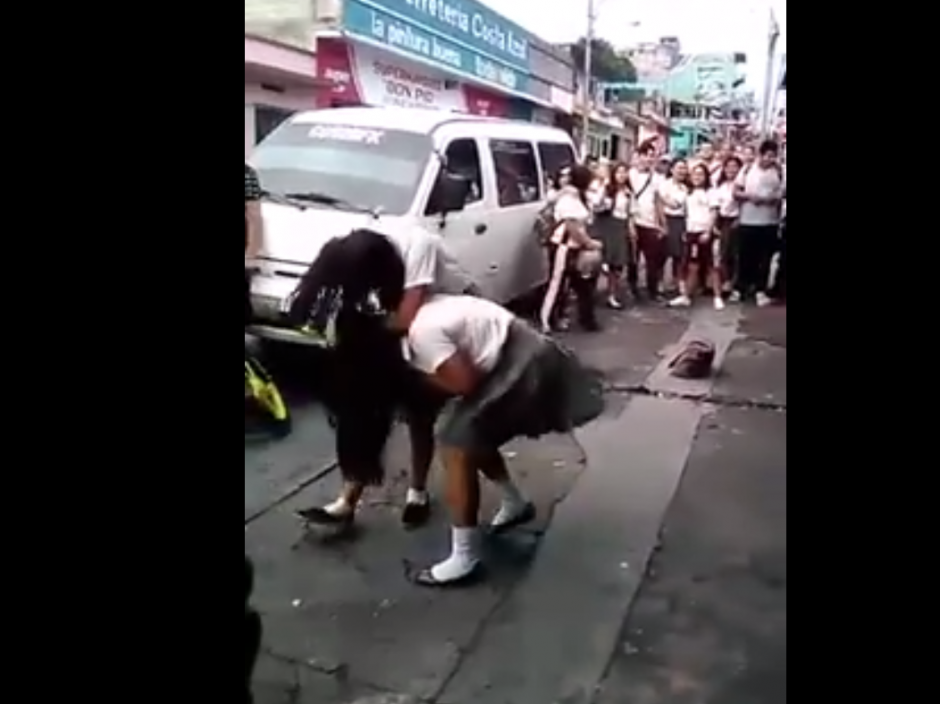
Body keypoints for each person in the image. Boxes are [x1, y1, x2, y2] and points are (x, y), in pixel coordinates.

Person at [292, 223, 478, 529]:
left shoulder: (419, 247)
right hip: (407, 323)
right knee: (368, 411)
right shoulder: (363, 247)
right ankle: (348, 500)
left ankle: (417, 492)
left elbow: (404, 319)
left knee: (419, 413)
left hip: (441, 325)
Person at [539, 164, 603, 333]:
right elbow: (572, 227)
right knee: (557, 284)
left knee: (582, 284)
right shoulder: (567, 199)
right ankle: (547, 320)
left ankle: (587, 320)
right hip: (563, 247)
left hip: (576, 248)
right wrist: (589, 243)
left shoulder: (580, 196)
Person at [734, 140, 784, 306]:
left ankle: (760, 289)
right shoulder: (748, 169)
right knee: (745, 257)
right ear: (760, 155)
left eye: (773, 156)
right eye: (767, 155)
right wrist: (749, 197)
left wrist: (772, 199)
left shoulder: (780, 171)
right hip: (747, 220)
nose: (770, 159)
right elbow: (736, 191)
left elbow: (782, 195)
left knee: (765, 258)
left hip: (769, 222)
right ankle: (741, 288)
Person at [670, 164, 723, 309]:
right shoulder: (688, 192)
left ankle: (718, 297)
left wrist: (708, 231)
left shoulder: (711, 192)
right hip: (691, 232)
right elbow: (679, 208)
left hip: (705, 232)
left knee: (713, 266)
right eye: (694, 174)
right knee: (693, 265)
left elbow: (714, 212)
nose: (697, 177)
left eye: (700, 174)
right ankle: (686, 296)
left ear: (706, 176)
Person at [627, 140, 666, 301]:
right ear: (640, 156)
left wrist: (661, 223)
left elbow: (658, 201)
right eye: (647, 155)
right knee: (632, 258)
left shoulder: (657, 178)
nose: (650, 159)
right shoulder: (630, 174)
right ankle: (633, 287)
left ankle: (652, 289)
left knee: (653, 259)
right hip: (632, 222)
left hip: (649, 222)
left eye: (653, 156)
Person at [591, 162, 634, 309]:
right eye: (619, 172)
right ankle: (592, 292)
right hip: (606, 227)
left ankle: (612, 294)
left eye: (624, 172)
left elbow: (630, 212)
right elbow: (596, 205)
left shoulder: (628, 191)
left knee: (617, 266)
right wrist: (604, 186)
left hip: (620, 228)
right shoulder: (607, 189)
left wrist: (630, 228)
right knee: (600, 261)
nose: (622, 175)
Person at [711, 156, 743, 296]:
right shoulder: (720, 185)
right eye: (728, 166)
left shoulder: (742, 185)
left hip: (736, 220)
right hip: (721, 220)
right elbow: (716, 206)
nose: (731, 169)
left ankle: (734, 284)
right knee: (721, 254)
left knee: (734, 254)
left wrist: (739, 219)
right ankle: (724, 282)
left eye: (734, 166)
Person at [659, 158, 690, 295]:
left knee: (680, 255)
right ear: (671, 170)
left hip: (682, 221)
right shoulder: (664, 184)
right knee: (663, 253)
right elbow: (662, 202)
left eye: (684, 168)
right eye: (679, 167)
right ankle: (659, 282)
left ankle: (676, 282)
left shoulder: (688, 187)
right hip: (666, 219)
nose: (681, 171)